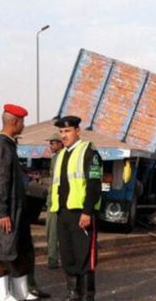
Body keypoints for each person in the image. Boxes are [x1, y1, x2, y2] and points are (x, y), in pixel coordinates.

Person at [0, 104, 41, 301]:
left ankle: (21, 292)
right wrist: (2, 212)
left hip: (14, 210)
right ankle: (1, 295)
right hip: (5, 212)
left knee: (17, 250)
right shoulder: (0, 146)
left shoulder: (7, 145)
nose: (24, 125)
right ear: (15, 122)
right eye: (23, 121)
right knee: (2, 252)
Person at [50, 116, 102, 301]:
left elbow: (94, 184)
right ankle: (73, 294)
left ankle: (87, 296)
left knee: (85, 256)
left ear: (77, 131)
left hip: (81, 213)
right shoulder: (61, 155)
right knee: (68, 254)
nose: (64, 135)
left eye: (68, 131)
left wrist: (87, 211)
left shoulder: (89, 152)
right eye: (62, 132)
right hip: (63, 212)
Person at [45, 132, 64, 269]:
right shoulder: (57, 157)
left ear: (60, 143)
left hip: (55, 201)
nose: (50, 145)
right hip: (54, 200)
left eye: (52, 143)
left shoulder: (59, 158)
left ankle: (53, 260)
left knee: (52, 232)